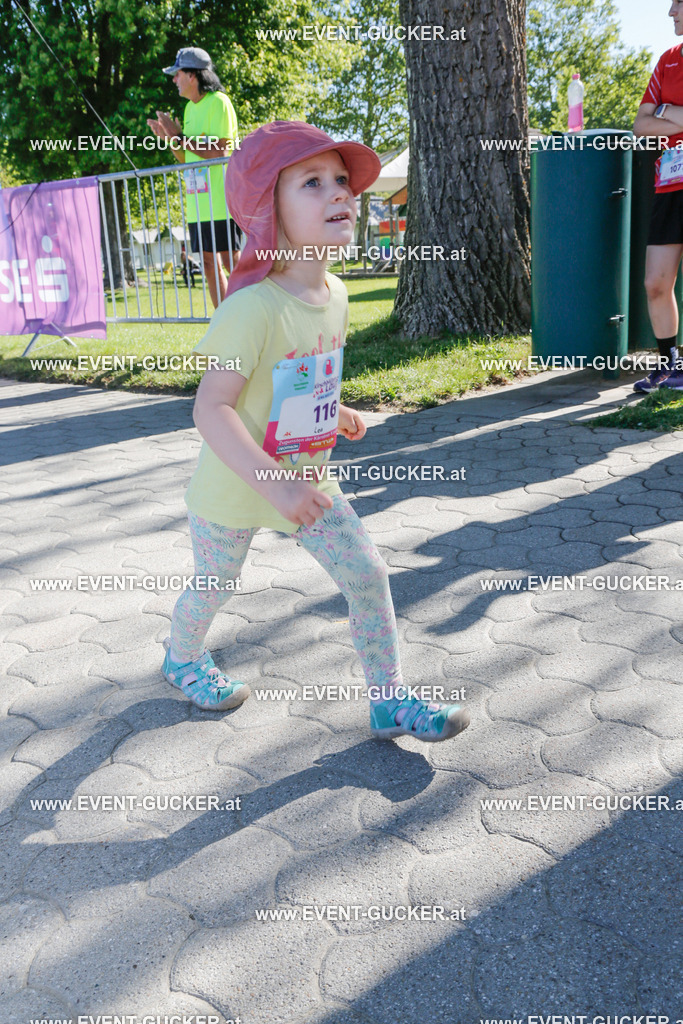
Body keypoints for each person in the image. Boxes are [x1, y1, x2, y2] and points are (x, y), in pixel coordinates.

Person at [159, 120, 470, 744]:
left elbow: (297, 376)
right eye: (312, 182)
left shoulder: (338, 294)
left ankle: (389, 701)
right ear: (267, 210)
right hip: (236, 487)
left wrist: (337, 409)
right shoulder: (248, 309)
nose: (340, 192)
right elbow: (211, 409)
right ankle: (182, 659)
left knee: (368, 575)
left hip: (309, 483)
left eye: (342, 180)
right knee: (215, 584)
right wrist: (275, 486)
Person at [147, 47, 241, 308]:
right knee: (209, 265)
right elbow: (187, 158)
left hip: (221, 202)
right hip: (198, 204)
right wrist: (170, 140)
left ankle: (252, 318)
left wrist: (179, 137)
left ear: (193, 75)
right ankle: (224, 321)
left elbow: (220, 151)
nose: (174, 80)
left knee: (233, 263)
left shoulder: (219, 102)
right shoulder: (189, 109)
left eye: (177, 74)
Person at [632, 2, 683, 392]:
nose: (670, 11)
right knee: (655, 282)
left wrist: (667, 111)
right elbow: (641, 125)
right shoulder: (668, 60)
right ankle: (670, 367)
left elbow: (657, 118)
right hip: (669, 186)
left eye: (678, 1)